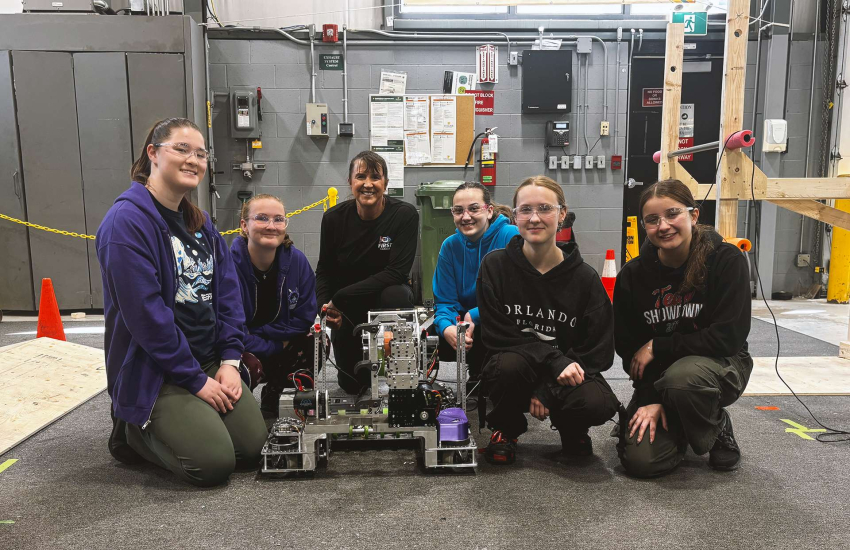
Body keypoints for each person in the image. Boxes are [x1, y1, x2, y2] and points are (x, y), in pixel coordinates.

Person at [96, 117, 267, 487]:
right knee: (213, 465)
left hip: (207, 359)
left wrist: (229, 361)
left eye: (201, 154)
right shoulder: (126, 223)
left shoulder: (200, 223)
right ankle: (130, 429)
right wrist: (194, 381)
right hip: (158, 370)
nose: (194, 159)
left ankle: (190, 420)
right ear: (153, 153)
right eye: (182, 149)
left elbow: (227, 298)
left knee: (254, 449)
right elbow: (147, 318)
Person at [477, 175, 620, 465]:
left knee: (597, 402)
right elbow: (496, 336)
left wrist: (548, 391)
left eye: (544, 208)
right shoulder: (495, 266)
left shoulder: (584, 278)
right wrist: (555, 361)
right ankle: (506, 429)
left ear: (562, 214)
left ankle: (572, 428)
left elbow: (599, 350)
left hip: (564, 375)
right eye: (525, 210)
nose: (534, 218)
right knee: (506, 366)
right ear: (514, 216)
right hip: (518, 368)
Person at [614, 179, 752, 477]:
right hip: (660, 376)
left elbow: (726, 337)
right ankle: (677, 419)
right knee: (641, 462)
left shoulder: (726, 261)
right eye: (652, 220)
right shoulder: (633, 275)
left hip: (722, 365)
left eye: (672, 213)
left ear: (693, 215)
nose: (663, 226)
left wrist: (659, 346)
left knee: (683, 378)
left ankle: (715, 426)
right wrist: (649, 397)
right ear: (644, 226)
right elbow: (629, 349)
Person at [315, 151, 418, 394]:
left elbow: (396, 272)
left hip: (383, 295)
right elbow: (324, 270)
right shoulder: (333, 219)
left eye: (376, 177)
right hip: (348, 305)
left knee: (397, 295)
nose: (368, 184)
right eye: (360, 176)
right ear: (350, 182)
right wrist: (326, 307)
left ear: (386, 184)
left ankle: (398, 355)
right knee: (351, 385)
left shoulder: (404, 215)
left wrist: (338, 297)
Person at [230, 193, 318, 418]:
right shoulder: (228, 267)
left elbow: (305, 317)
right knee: (242, 362)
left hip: (280, 343)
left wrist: (260, 334)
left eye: (278, 219)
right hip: (246, 350)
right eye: (261, 218)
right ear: (244, 225)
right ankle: (238, 412)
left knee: (315, 343)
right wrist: (275, 344)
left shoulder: (297, 262)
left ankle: (277, 393)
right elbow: (232, 330)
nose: (271, 226)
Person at [432, 181, 519, 380]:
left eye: (473, 209)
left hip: (503, 322)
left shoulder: (510, 237)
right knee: (430, 337)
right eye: (458, 210)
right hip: (466, 326)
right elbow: (444, 301)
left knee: (486, 332)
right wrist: (447, 327)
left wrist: (475, 315)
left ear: (489, 211)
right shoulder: (450, 246)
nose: (466, 217)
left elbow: (517, 297)